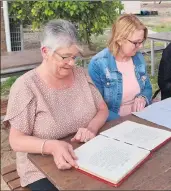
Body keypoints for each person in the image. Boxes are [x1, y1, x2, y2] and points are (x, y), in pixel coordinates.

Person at [3, 19, 108, 190]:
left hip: (85, 155)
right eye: (65, 57)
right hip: (40, 168)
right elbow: (16, 141)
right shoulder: (27, 87)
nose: (72, 63)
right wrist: (51, 146)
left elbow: (102, 108)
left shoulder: (81, 75)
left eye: (74, 57)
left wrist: (91, 128)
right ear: (45, 52)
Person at [88, 14, 152, 121]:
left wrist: (142, 97)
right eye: (136, 42)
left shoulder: (138, 58)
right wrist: (123, 122)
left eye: (142, 41)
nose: (140, 46)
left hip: (141, 118)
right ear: (120, 39)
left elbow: (147, 87)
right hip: (115, 123)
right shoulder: (98, 64)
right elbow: (96, 107)